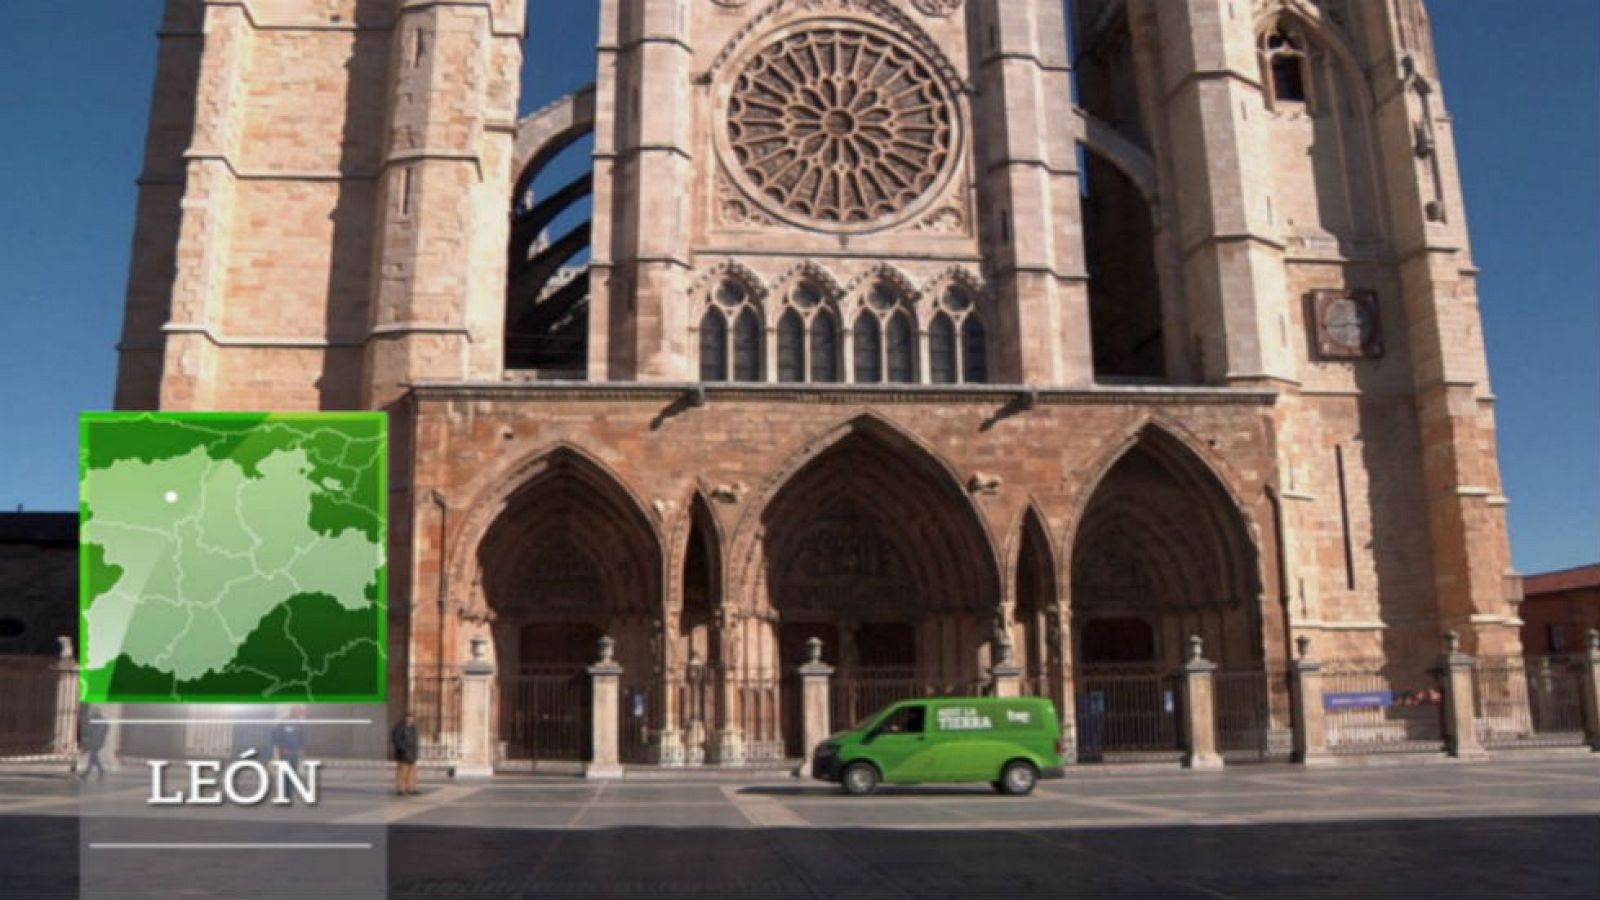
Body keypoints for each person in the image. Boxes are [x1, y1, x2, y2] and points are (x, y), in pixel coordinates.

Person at [391, 713, 420, 797]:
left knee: (412, 772)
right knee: (402, 772)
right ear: (405, 718)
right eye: (409, 718)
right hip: (403, 753)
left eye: (412, 718)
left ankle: (411, 788)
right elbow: (396, 740)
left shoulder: (413, 728)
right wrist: (404, 749)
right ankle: (400, 788)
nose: (410, 719)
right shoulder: (399, 727)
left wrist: (415, 752)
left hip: (412, 753)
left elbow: (415, 741)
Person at [79, 709, 109, 781]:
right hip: (97, 742)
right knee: (93, 758)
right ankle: (88, 773)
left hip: (95, 742)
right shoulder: (102, 721)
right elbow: (104, 732)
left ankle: (90, 772)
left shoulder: (96, 721)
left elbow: (91, 731)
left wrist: (87, 740)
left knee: (93, 757)